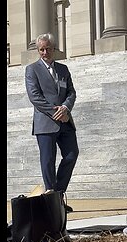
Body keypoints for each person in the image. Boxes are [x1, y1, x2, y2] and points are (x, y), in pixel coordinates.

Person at [25, 33, 79, 212]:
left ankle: (57, 194)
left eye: (48, 48)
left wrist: (66, 108)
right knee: (48, 160)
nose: (45, 52)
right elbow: (35, 97)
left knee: (71, 155)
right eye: (41, 49)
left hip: (65, 120)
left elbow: (71, 92)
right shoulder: (32, 70)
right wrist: (56, 112)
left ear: (54, 49)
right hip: (45, 121)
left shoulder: (63, 69)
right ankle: (53, 201)